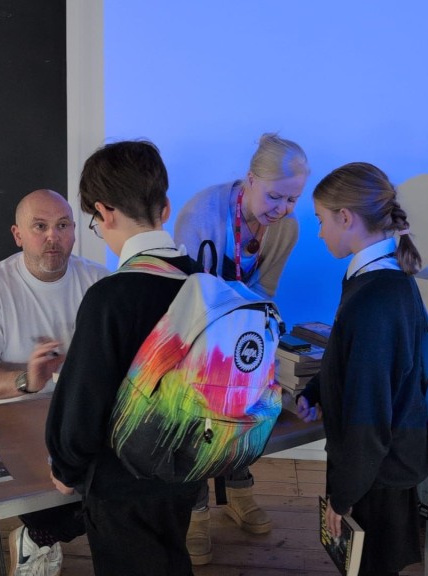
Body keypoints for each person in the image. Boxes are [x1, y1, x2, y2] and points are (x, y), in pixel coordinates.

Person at [44, 140, 203, 576]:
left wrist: (67, 465)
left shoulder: (110, 298)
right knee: (170, 554)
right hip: (186, 467)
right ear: (165, 208)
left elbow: (84, 398)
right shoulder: (202, 282)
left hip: (121, 481)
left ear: (105, 212)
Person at [0, 188, 109, 576]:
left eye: (62, 226)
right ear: (18, 234)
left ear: (75, 231)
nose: (52, 237)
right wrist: (27, 379)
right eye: (39, 227)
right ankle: (41, 535)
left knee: (126, 481)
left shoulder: (100, 282)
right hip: (13, 420)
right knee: (74, 490)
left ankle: (38, 537)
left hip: (82, 414)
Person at [173, 132, 309, 563]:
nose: (282, 210)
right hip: (195, 328)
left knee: (247, 400)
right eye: (275, 196)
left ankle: (239, 488)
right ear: (249, 179)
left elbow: (264, 290)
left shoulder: (286, 229)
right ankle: (193, 507)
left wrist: (249, 342)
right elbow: (188, 294)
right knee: (196, 410)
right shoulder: (199, 213)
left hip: (243, 327)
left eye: (292, 200)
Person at [295, 162, 428, 576]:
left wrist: (344, 494)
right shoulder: (375, 279)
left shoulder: (377, 298)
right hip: (373, 466)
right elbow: (353, 359)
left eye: (320, 220)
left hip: (376, 473)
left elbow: (370, 412)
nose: (319, 232)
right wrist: (317, 390)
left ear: (346, 217)